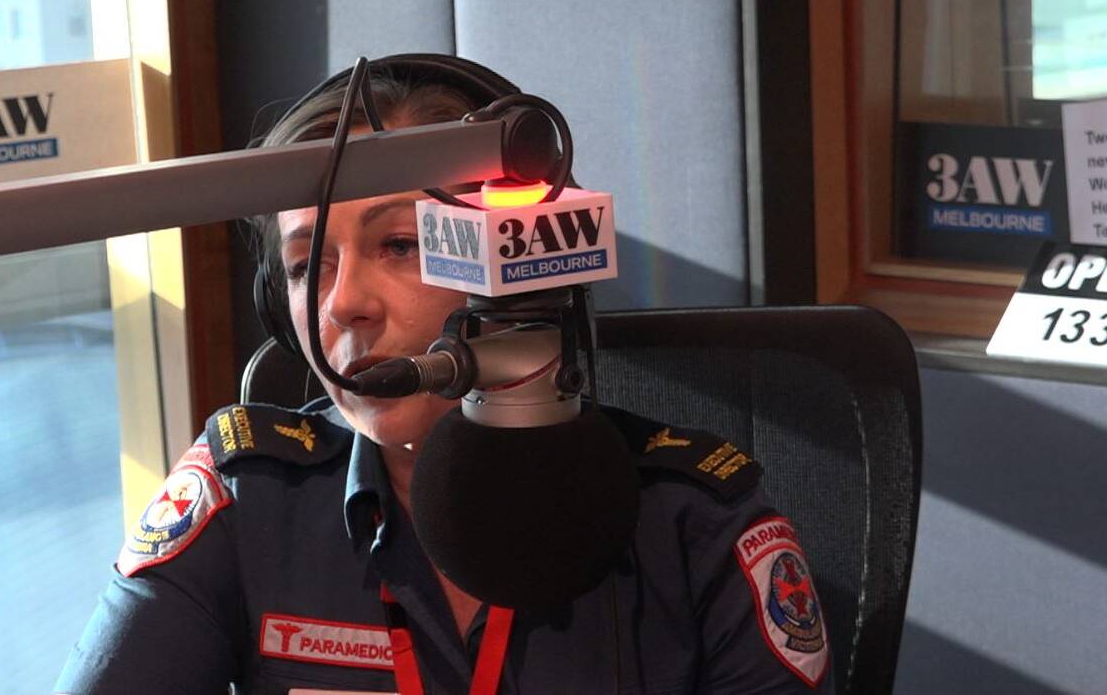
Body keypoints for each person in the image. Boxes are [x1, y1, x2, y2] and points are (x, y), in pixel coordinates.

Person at [55, 55, 834, 694]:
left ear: (521, 278)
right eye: (305, 265)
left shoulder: (694, 522)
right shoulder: (244, 496)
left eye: (399, 245)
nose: (343, 303)